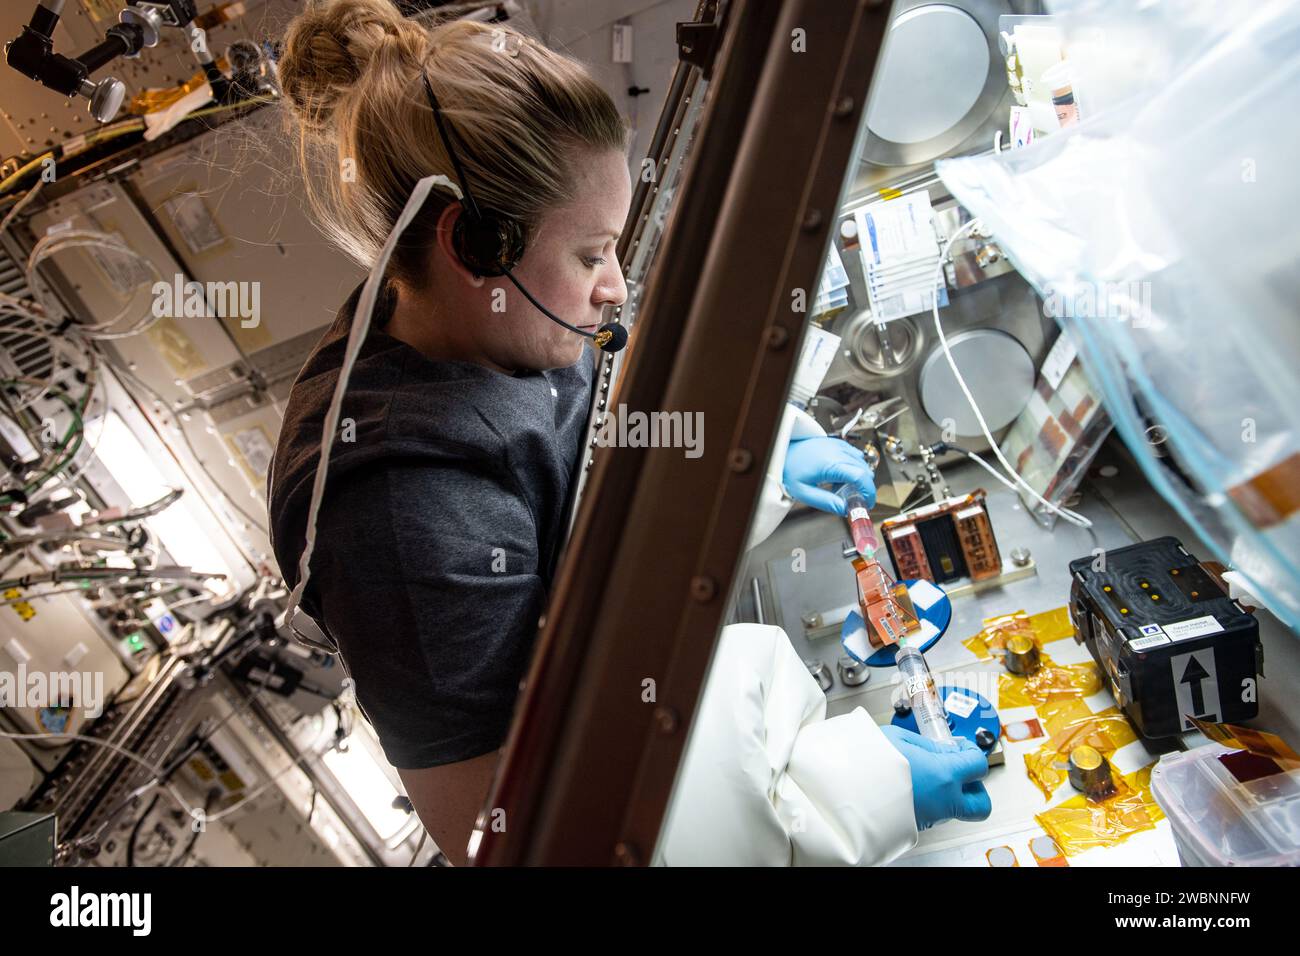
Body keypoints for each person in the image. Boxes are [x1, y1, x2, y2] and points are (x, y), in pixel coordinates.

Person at [269, 0, 988, 866]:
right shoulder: (397, 508)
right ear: (475, 244)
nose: (615, 286)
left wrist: (761, 460)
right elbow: (512, 834)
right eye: (590, 254)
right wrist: (852, 796)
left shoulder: (489, 316)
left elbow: (601, 436)